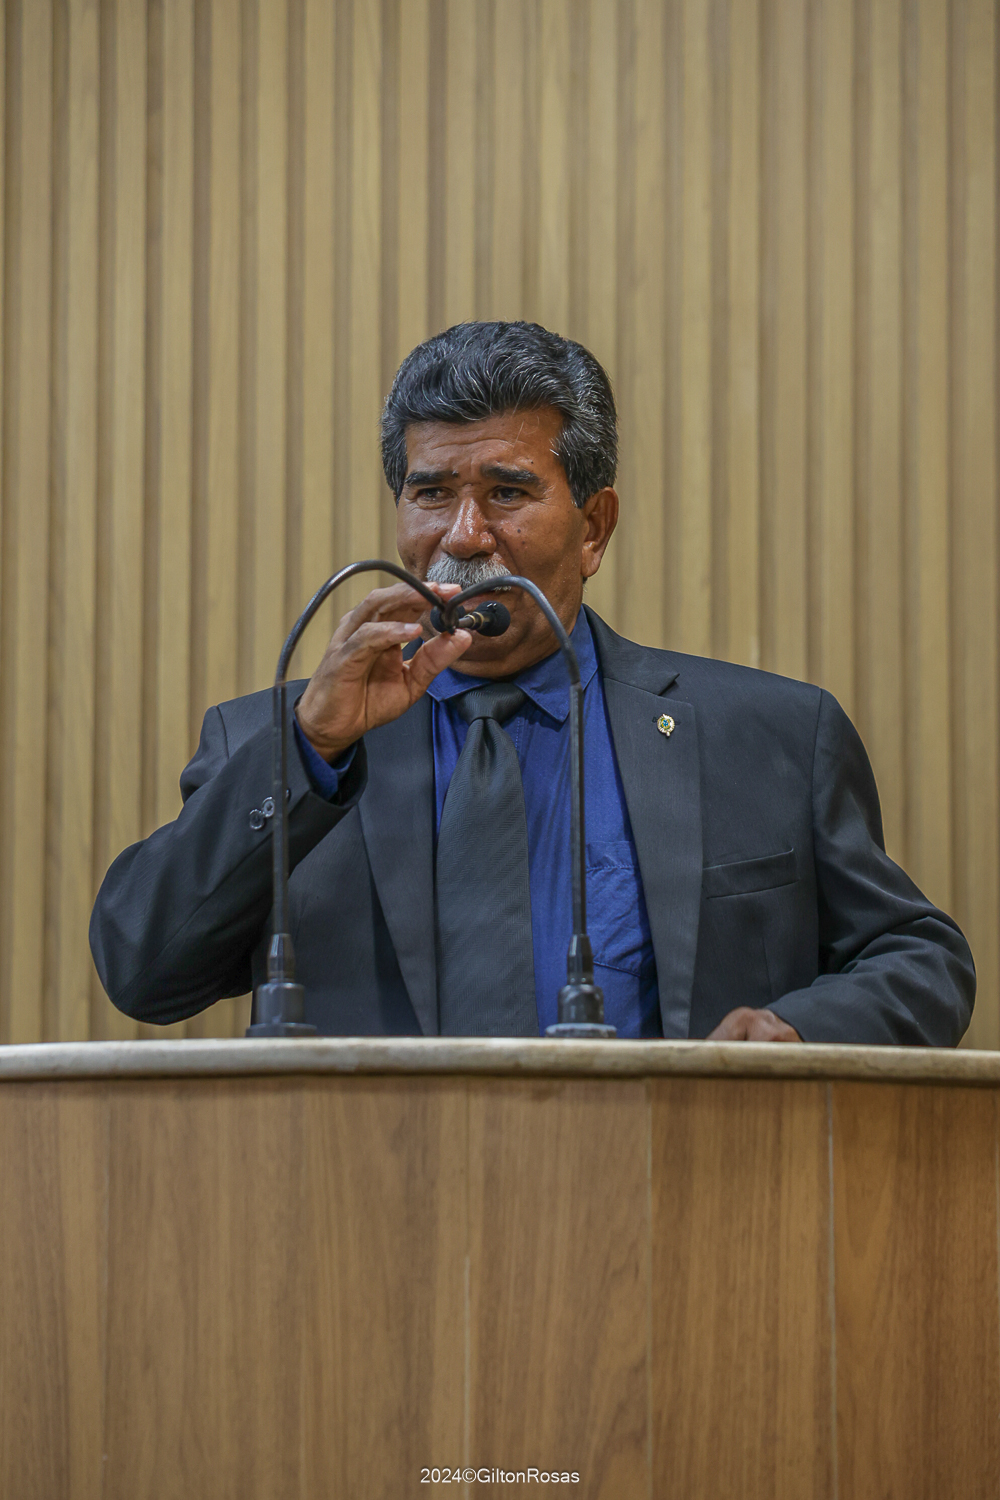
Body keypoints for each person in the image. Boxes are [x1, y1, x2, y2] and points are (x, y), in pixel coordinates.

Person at [90, 321, 974, 1043]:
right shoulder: (279, 745)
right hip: (367, 1198)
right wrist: (309, 746)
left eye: (507, 493)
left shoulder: (768, 736)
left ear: (594, 528)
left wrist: (796, 1030)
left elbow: (921, 960)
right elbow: (142, 970)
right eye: (431, 493)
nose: (463, 535)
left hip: (673, 1190)